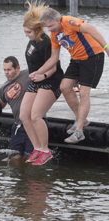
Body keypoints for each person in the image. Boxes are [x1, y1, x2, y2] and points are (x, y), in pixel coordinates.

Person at [33, 7, 108, 144]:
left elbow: (91, 29)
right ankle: (81, 119)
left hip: (92, 58)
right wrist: (39, 72)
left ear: (57, 20)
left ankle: (79, 132)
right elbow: (54, 58)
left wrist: (106, 48)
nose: (49, 29)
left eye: (50, 26)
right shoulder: (54, 34)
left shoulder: (69, 22)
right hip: (76, 60)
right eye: (46, 27)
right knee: (65, 87)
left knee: (84, 92)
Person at [19, 1, 64, 165]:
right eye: (25, 32)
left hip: (51, 80)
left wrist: (42, 76)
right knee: (24, 115)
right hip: (37, 80)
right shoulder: (32, 41)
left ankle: (45, 150)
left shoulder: (46, 42)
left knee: (36, 115)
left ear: (37, 30)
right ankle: (37, 148)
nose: (26, 35)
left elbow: (53, 66)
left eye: (28, 32)